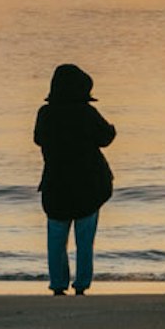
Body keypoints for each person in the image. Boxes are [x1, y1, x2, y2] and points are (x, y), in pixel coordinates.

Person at [34, 60, 115, 294]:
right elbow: (106, 138)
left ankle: (58, 285)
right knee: (84, 241)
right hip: (89, 185)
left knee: (56, 239)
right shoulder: (87, 113)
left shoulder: (46, 114)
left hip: (56, 184)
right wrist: (111, 127)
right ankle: (81, 286)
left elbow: (38, 139)